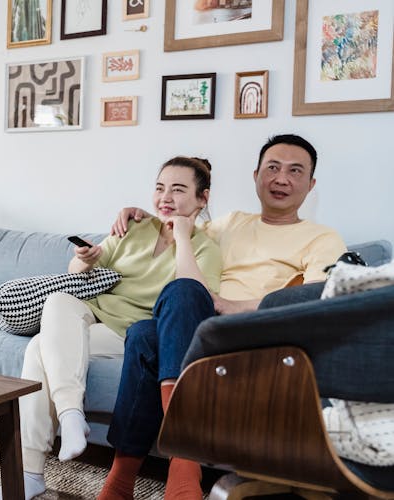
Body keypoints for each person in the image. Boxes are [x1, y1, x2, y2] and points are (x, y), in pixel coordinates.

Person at [100, 134, 348, 499]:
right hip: (199, 328)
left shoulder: (322, 237)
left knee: (159, 317)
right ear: (256, 175)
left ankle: (165, 469)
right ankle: (130, 478)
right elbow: (178, 230)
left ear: (310, 185)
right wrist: (140, 215)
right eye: (272, 168)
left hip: (254, 334)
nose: (281, 179)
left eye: (295, 171)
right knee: (149, 324)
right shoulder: (230, 223)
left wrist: (238, 305)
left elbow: (314, 299)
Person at [0, 156, 222, 500]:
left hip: (133, 333)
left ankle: (29, 473)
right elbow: (73, 276)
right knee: (56, 302)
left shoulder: (205, 248)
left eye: (178, 190)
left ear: (203, 199)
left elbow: (195, 297)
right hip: (95, 319)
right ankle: (70, 414)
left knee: (38, 349)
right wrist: (84, 260)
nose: (165, 198)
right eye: (160, 188)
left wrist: (184, 238)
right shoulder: (134, 229)